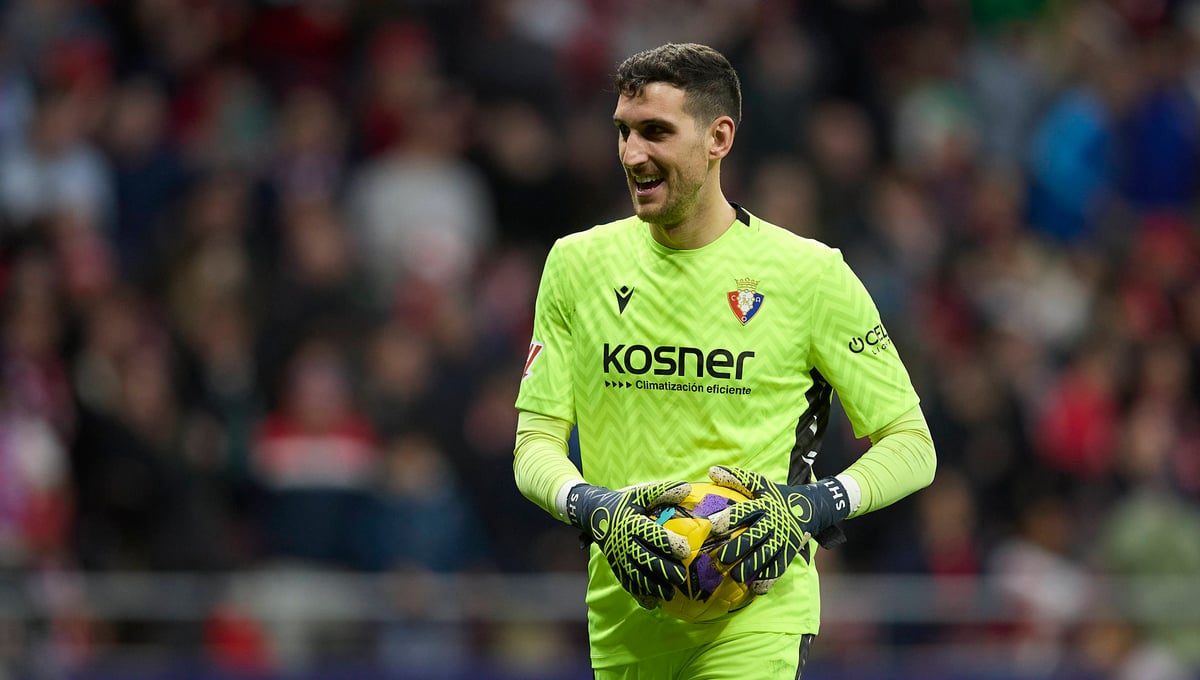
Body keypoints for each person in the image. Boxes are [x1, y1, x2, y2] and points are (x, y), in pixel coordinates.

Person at [513, 42, 936, 679]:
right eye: (624, 132)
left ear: (719, 138)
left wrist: (810, 508)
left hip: (756, 615)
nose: (632, 154)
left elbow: (912, 445)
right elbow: (533, 448)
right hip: (626, 619)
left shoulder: (810, 275)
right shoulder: (576, 266)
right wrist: (594, 506)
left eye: (656, 132)